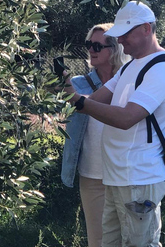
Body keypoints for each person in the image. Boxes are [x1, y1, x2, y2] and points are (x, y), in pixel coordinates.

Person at [67, 1, 165, 247]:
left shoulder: (164, 69)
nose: (120, 40)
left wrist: (78, 102)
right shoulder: (130, 66)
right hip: (117, 178)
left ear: (146, 29)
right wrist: (66, 92)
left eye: (126, 33)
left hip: (140, 179)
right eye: (118, 35)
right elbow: (95, 100)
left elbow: (126, 118)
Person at [62, 23, 130, 247]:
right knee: (98, 240)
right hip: (92, 175)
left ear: (115, 48)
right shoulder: (77, 85)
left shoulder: (131, 83)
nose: (91, 50)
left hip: (126, 174)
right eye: (89, 44)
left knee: (134, 236)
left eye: (97, 46)